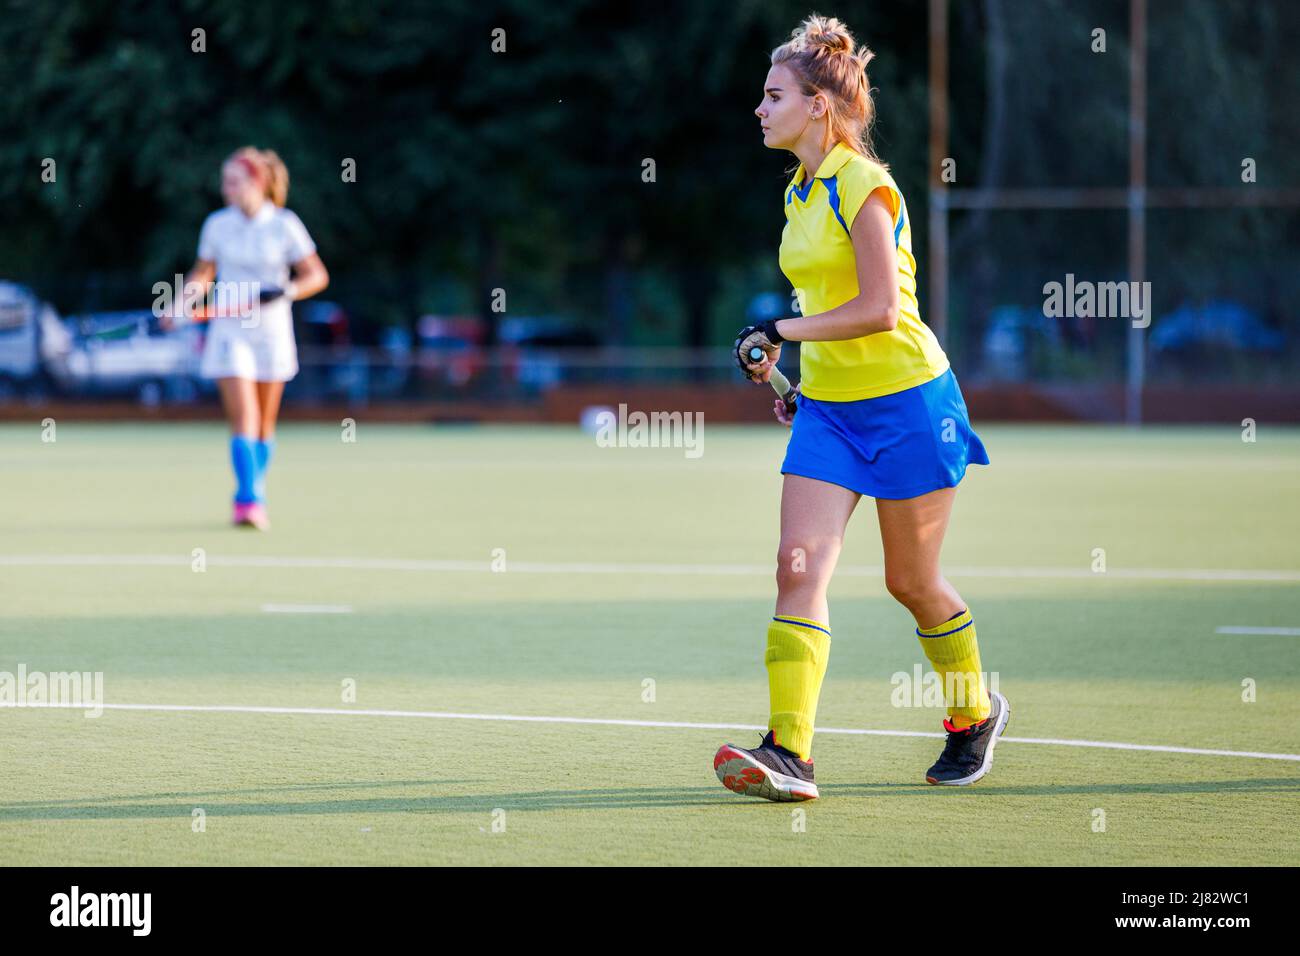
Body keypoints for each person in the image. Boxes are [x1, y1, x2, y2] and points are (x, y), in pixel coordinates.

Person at [714, 16, 1007, 802]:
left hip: (912, 401)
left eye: (773, 95)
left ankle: (972, 715)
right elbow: (825, 304)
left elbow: (880, 309)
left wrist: (778, 329)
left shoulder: (864, 186)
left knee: (912, 583)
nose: (759, 107)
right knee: (796, 565)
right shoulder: (799, 192)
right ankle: (790, 753)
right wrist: (798, 375)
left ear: (817, 106)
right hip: (831, 411)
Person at [174, 147, 329, 529]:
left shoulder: (284, 224)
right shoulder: (217, 225)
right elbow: (202, 274)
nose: (226, 189)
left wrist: (288, 291)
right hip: (230, 331)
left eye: (233, 182)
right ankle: (249, 500)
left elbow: (316, 275)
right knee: (245, 417)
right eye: (224, 182)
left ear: (257, 183)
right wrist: (180, 304)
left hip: (272, 330)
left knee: (264, 426)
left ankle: (252, 489)